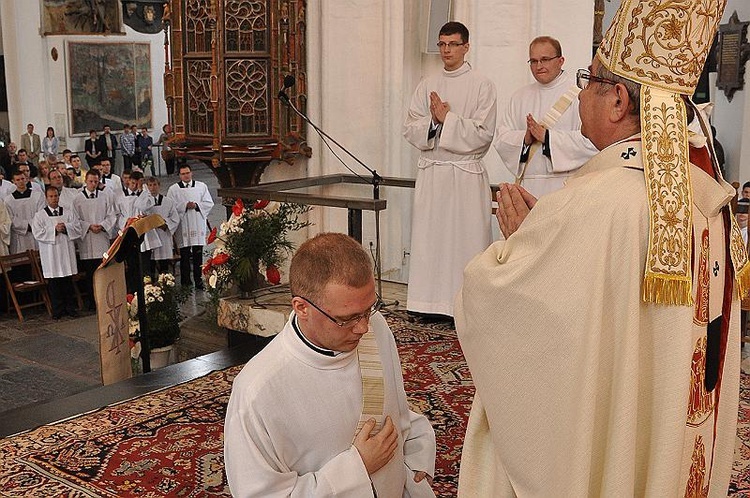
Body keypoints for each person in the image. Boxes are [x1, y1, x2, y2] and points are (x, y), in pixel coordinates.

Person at [455, 1, 741, 495]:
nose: (580, 92)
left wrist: (522, 245)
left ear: (617, 103)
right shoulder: (704, 196)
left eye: (589, 79)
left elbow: (513, 314)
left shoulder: (592, 203)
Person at [224, 232, 436, 497]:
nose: (363, 327)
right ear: (302, 307)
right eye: (346, 318)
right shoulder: (258, 391)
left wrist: (417, 454)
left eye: (369, 308)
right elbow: (261, 494)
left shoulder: (376, 328)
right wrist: (357, 468)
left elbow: (395, 409)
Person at [402, 21, 496, 318]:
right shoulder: (428, 83)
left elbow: (484, 133)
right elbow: (410, 126)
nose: (446, 50)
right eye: (442, 44)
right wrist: (432, 122)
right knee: (431, 242)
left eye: (453, 44)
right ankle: (427, 304)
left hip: (464, 176)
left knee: (465, 242)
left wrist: (447, 119)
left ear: (466, 47)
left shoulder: (482, 84)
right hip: (433, 173)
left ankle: (465, 305)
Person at [494, 36, 598, 197]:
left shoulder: (580, 94)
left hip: (566, 187)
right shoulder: (520, 97)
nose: (539, 66)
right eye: (533, 61)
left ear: (561, 60)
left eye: (545, 59)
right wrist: (525, 139)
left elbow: (593, 142)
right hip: (528, 187)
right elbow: (501, 139)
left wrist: (548, 138)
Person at [32, 185, 82, 319]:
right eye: (51, 196)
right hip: (51, 254)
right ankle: (57, 311)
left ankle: (71, 308)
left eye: (56, 196)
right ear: (46, 198)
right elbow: (37, 233)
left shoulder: (68, 212)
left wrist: (66, 228)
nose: (54, 199)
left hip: (66, 252)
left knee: (67, 282)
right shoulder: (40, 215)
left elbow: (77, 227)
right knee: (54, 284)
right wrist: (54, 230)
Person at [74, 170, 116, 309]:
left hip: (101, 239)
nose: (93, 184)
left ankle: (105, 301)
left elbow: (111, 215)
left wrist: (103, 226)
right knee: (90, 273)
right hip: (86, 240)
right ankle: (92, 302)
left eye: (96, 182)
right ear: (86, 180)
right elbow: (75, 219)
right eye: (91, 181)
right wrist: (88, 226)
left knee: (102, 271)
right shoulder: (78, 198)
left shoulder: (104, 196)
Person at [167, 164, 213, 289]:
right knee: (185, 255)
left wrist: (197, 205)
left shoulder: (201, 186)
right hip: (184, 225)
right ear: (179, 175)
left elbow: (209, 202)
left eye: (187, 173)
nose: (186, 176)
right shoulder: (173, 189)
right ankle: (185, 281)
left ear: (191, 173)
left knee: (198, 255)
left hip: (197, 224)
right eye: (183, 174)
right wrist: (184, 205)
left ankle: (198, 280)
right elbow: (170, 206)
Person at [134, 176, 179, 278]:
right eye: (150, 185)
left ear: (159, 186)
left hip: (163, 234)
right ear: (147, 187)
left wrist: (165, 224)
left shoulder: (168, 201)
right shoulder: (144, 202)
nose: (152, 187)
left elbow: (175, 218)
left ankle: (165, 286)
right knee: (150, 266)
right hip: (150, 236)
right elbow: (140, 213)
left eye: (155, 185)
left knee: (164, 267)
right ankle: (152, 289)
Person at [5, 171, 44, 254]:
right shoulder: (8, 200)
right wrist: (27, 226)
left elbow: (41, 213)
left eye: (22, 179)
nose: (20, 181)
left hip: (36, 232)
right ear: (13, 181)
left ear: (26, 179)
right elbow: (10, 218)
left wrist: (34, 225)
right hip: (19, 236)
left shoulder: (37, 195)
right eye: (18, 180)